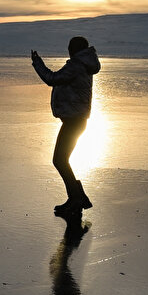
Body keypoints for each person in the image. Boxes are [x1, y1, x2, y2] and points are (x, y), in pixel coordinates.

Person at [31, 36, 101, 214]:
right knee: (62, 160)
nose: (68, 50)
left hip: (74, 121)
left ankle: (78, 198)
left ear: (75, 49)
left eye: (70, 47)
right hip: (77, 120)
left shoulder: (77, 65)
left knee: (60, 160)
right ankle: (77, 198)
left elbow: (52, 78)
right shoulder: (84, 64)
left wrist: (37, 63)